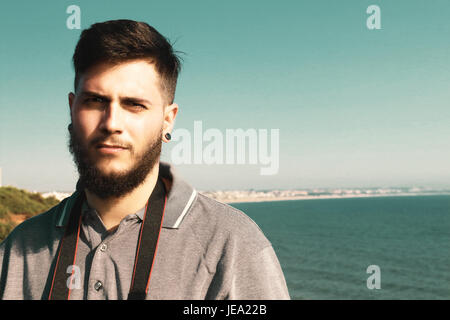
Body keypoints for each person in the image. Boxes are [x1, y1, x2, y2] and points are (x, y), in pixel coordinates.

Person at [0, 19, 290, 300]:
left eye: (134, 104)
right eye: (95, 101)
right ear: (72, 108)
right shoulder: (18, 250)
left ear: (167, 120)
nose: (112, 122)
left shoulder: (231, 246)